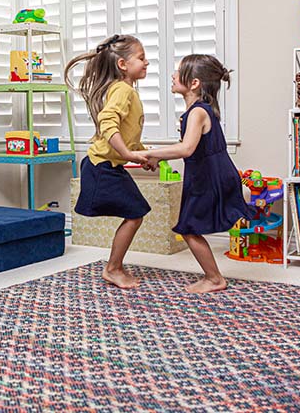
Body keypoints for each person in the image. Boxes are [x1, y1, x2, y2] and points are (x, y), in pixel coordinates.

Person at [146, 54, 247, 293]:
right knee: (190, 226)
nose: (172, 75)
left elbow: (186, 148)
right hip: (205, 175)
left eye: (178, 71)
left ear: (194, 83)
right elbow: (190, 148)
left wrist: (148, 153)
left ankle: (214, 278)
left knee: (189, 227)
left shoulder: (198, 112)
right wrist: (157, 156)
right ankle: (212, 276)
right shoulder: (197, 111)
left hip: (210, 177)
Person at [65, 34, 151, 289]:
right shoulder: (123, 90)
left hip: (108, 165)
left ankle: (114, 266)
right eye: (141, 58)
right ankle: (113, 268)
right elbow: (108, 122)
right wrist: (127, 154)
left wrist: (142, 154)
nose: (146, 63)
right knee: (135, 214)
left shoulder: (127, 91)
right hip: (101, 166)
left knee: (136, 213)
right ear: (123, 64)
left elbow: (126, 133)